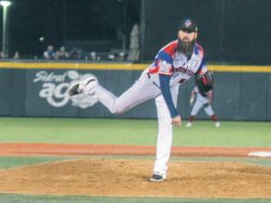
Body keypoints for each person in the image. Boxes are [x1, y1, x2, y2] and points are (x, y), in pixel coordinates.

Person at [69, 19, 209, 182]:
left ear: (195, 35)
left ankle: (160, 170)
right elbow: (163, 84)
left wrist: (207, 85)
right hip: (151, 82)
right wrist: (174, 112)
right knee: (116, 108)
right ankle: (90, 87)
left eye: (190, 31)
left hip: (172, 87)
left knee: (166, 128)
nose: (186, 34)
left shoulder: (199, 53)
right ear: (178, 33)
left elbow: (201, 70)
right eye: (183, 31)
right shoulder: (168, 52)